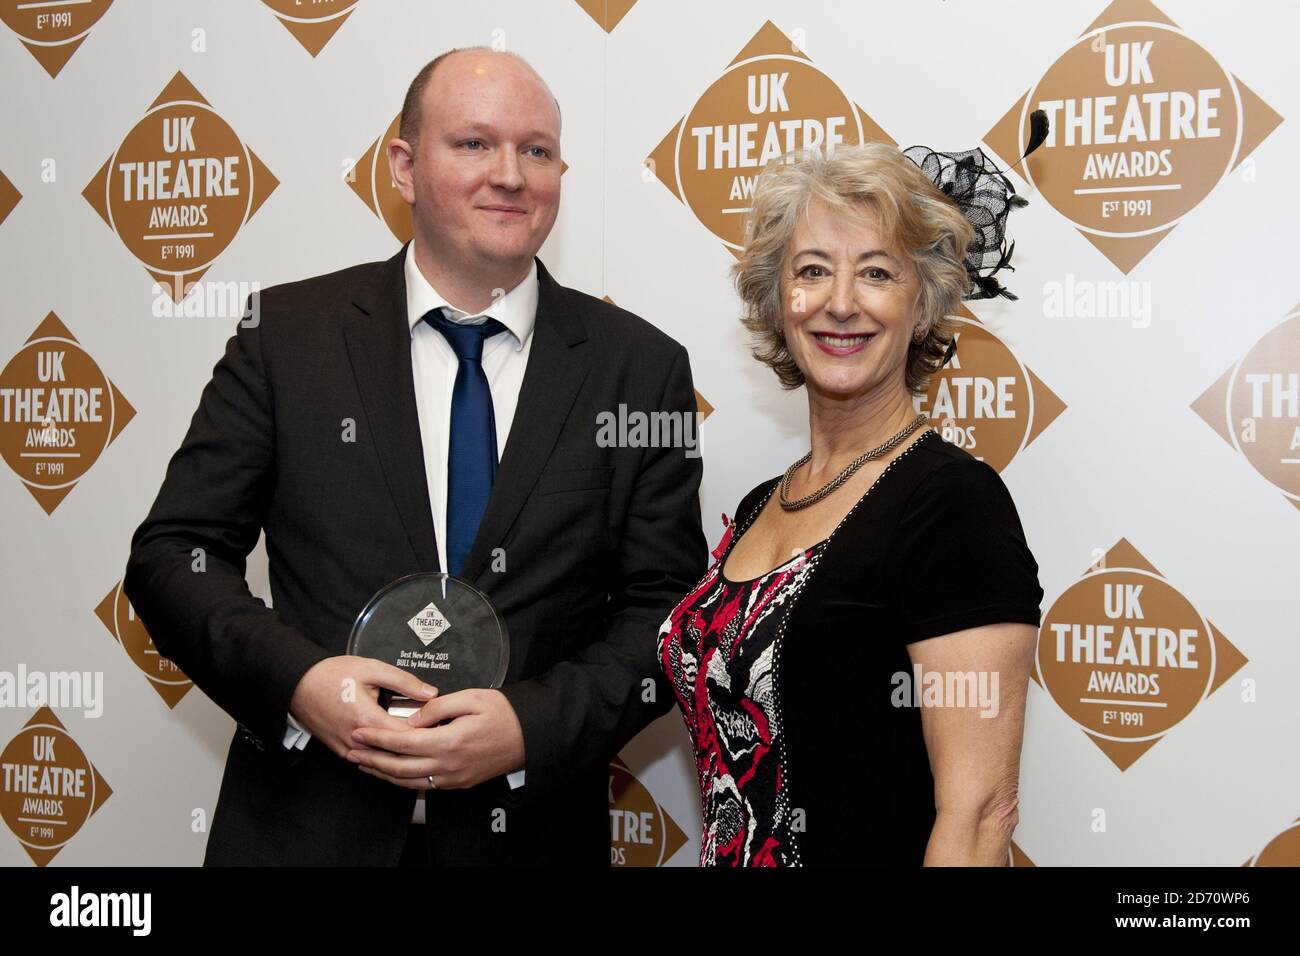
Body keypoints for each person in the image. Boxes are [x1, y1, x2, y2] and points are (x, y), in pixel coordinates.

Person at [125, 47, 704, 866]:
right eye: (473, 144)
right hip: (306, 834)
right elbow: (172, 556)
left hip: (528, 841)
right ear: (403, 166)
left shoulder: (639, 369)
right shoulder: (288, 338)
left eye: (536, 151)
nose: (510, 174)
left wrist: (526, 727)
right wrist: (299, 685)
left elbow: (667, 609)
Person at [658, 139, 1046, 866]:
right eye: (812, 271)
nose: (841, 302)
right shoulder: (759, 506)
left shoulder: (951, 506)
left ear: (924, 300)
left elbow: (980, 816)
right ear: (778, 299)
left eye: (876, 272)